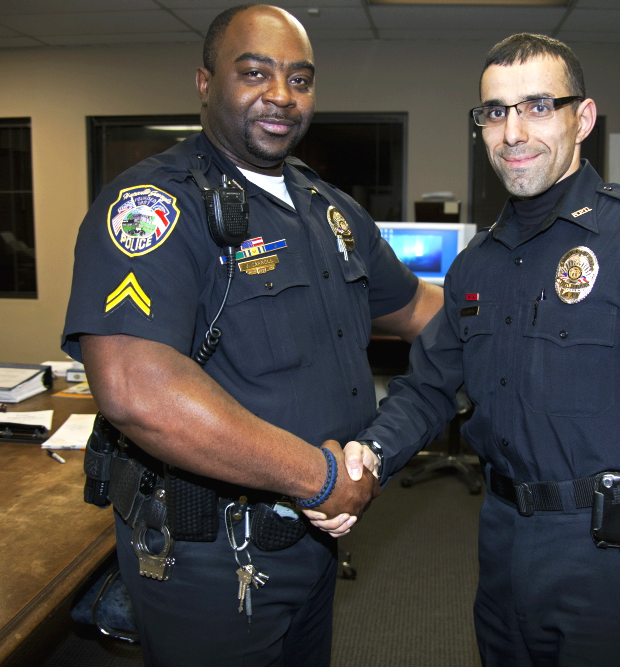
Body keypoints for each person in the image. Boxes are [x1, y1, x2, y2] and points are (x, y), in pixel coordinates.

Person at [310, 33, 620, 667]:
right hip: (502, 540)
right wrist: (369, 457)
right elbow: (427, 386)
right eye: (494, 112)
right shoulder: (476, 266)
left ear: (583, 118)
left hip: (610, 554)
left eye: (537, 106)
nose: (513, 131)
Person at [60, 5, 442, 666]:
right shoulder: (155, 204)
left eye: (300, 78)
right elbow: (134, 386)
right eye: (255, 72)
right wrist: (319, 476)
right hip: (210, 560)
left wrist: (515, 310)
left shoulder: (328, 209)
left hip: (315, 539)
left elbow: (415, 307)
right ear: (206, 82)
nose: (281, 95)